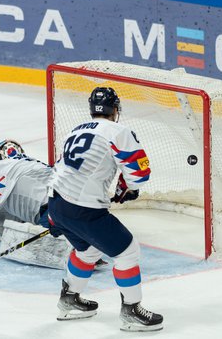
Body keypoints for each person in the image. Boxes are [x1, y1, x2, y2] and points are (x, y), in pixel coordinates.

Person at [47, 87, 163, 331]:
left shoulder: (74, 130)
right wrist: (128, 186)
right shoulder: (118, 131)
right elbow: (139, 175)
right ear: (115, 110)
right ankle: (131, 311)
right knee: (128, 252)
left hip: (56, 202)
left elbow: (62, 168)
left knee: (87, 251)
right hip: (83, 208)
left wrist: (54, 213)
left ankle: (70, 300)